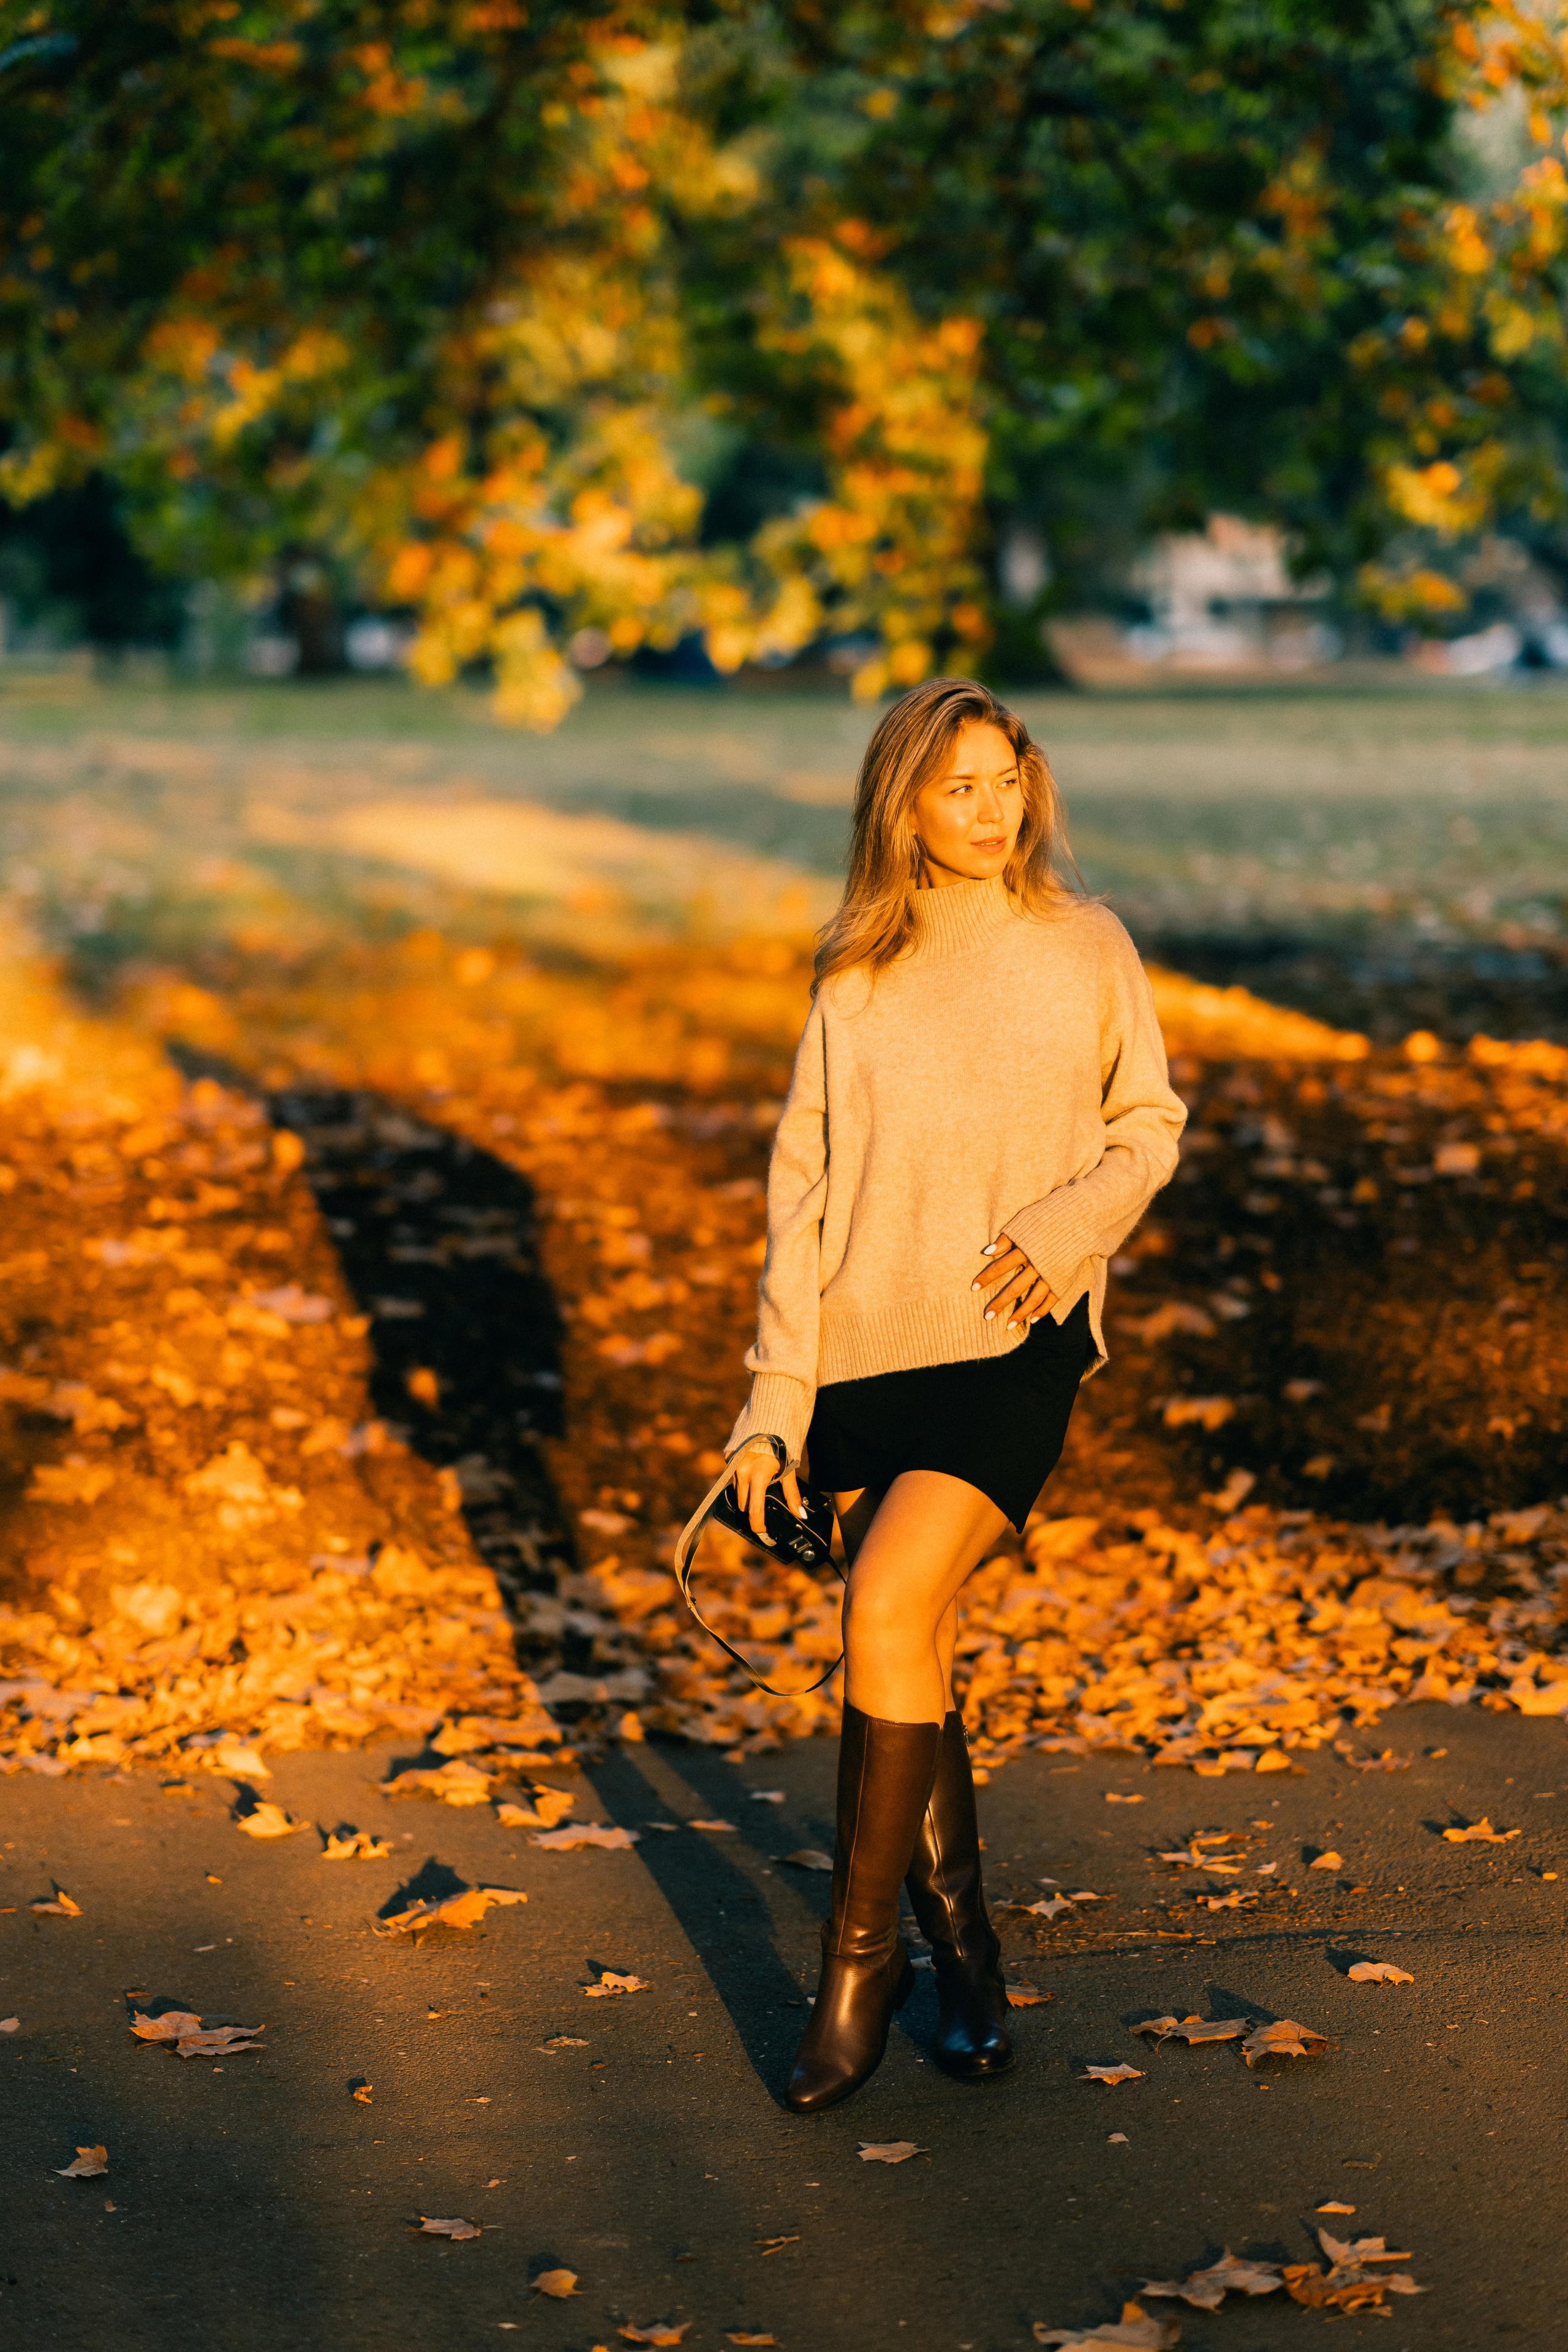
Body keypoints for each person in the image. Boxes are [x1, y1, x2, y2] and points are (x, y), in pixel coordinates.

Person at [722, 677, 1186, 2114]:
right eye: (958, 790)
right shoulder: (853, 977)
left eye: (1006, 780)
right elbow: (798, 1195)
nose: (991, 813)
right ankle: (967, 1951)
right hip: (863, 1351)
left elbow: (1147, 1125)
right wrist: (772, 1403)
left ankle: (860, 1970)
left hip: (1011, 1345)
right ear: (903, 810)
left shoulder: (1081, 945)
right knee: (899, 1633)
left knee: (882, 1604)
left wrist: (1063, 1234)